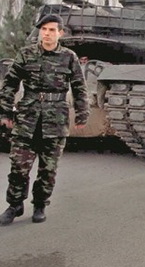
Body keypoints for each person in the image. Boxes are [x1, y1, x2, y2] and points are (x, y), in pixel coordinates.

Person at [0, 14, 89, 226]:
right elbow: (10, 83)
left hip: (55, 119)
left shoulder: (69, 57)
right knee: (18, 166)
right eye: (44, 30)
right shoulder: (26, 54)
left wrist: (82, 113)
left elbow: (79, 86)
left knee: (48, 170)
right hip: (27, 118)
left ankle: (40, 204)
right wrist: (4, 112)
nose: (47, 34)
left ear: (60, 33)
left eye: (51, 30)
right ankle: (15, 205)